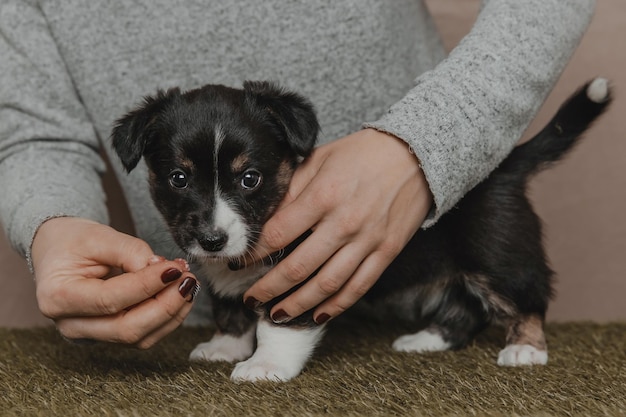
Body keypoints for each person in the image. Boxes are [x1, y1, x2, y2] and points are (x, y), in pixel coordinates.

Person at [0, 0, 595, 347]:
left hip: (433, 234)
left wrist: (422, 146)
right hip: (201, 322)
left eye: (248, 180)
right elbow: (31, 127)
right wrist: (49, 223)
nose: (214, 218)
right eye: (180, 180)